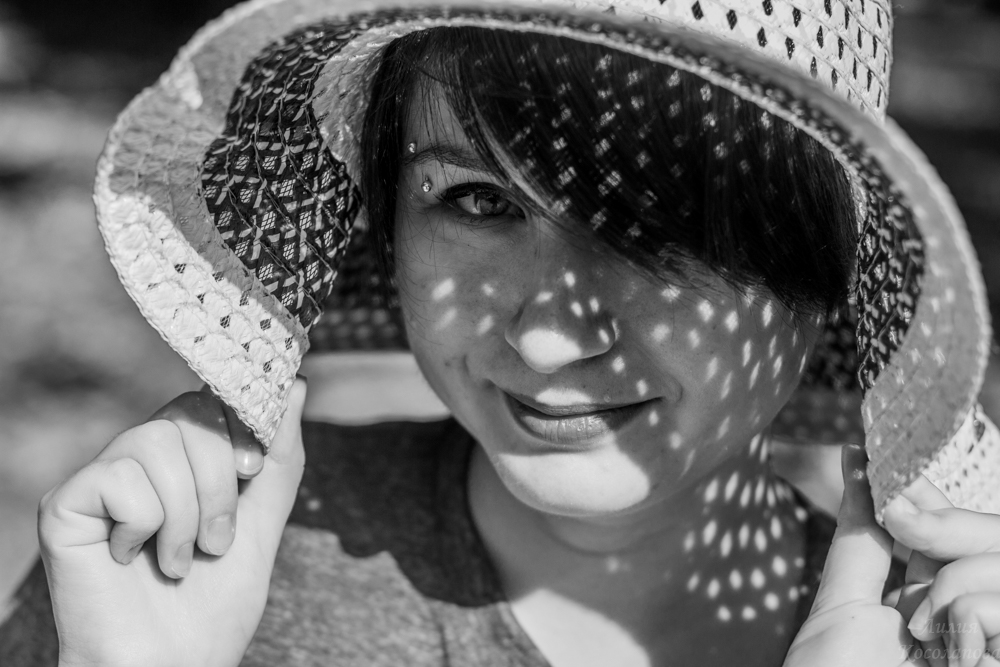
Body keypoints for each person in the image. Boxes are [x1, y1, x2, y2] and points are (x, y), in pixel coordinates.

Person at [2, 3, 1000, 667]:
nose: (549, 339)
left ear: (829, 271)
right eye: (478, 199)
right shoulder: (176, 573)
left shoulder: (931, 642)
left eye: (664, 225)